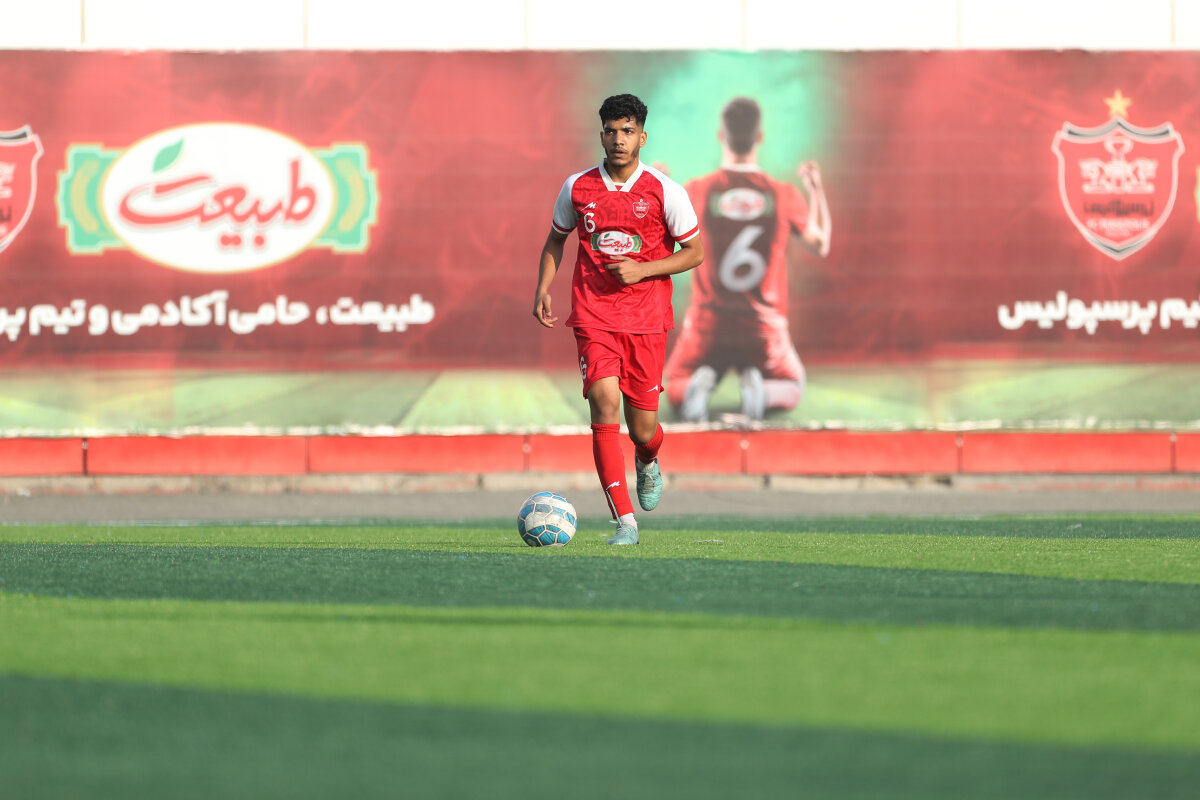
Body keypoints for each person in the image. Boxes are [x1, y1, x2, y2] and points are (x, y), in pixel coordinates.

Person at [532, 94, 703, 545]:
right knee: (603, 403)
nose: (618, 140)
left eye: (627, 131)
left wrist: (644, 270)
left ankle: (648, 459)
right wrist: (543, 287)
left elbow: (695, 252)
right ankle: (625, 522)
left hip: (647, 321)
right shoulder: (577, 187)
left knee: (643, 431)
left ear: (642, 137)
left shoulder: (666, 191)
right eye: (610, 131)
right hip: (593, 315)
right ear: (601, 135)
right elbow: (556, 240)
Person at [664, 96, 831, 423]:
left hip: (708, 326)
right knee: (793, 385)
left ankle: (696, 388)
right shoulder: (783, 194)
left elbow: (653, 239)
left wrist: (656, 190)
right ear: (760, 137)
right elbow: (821, 244)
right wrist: (815, 189)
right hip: (762, 328)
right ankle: (762, 393)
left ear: (720, 135)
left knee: (674, 384)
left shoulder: (696, 191)